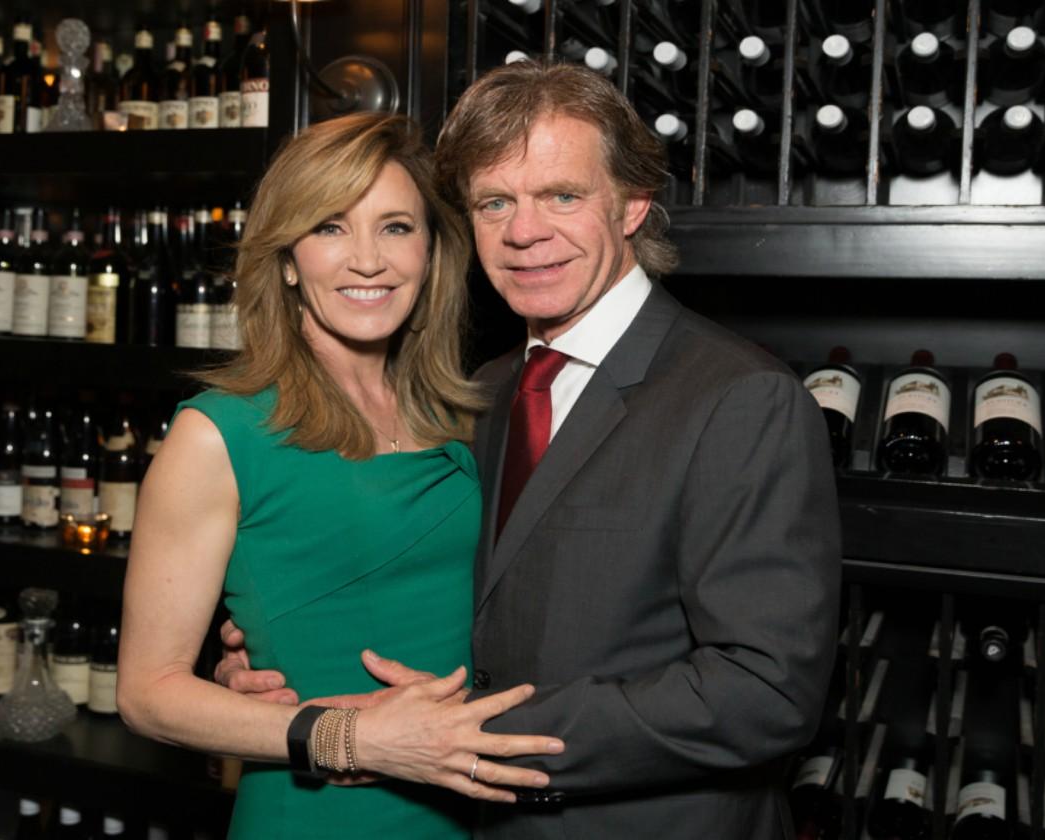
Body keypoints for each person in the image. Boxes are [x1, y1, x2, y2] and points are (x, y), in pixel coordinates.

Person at [219, 61, 842, 838]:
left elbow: (766, 690)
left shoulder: (738, 398)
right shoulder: (481, 390)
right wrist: (286, 660)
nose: (523, 231)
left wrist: (477, 736)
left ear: (633, 205)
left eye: (562, 196)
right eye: (495, 202)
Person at [116, 112, 564, 840]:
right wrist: (346, 739)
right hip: (325, 813)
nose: (368, 261)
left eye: (395, 228)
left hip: (476, 811)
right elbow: (146, 695)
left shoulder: (470, 413)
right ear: (287, 258)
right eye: (329, 227)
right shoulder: (219, 435)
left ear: (430, 251)